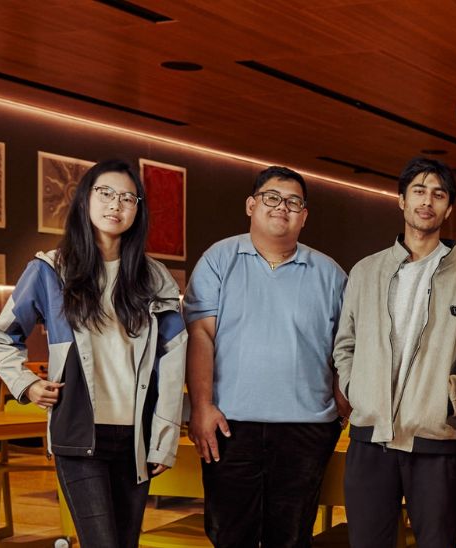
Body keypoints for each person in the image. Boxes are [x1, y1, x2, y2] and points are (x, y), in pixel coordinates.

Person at [0, 159, 186, 548]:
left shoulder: (155, 278)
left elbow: (173, 360)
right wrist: (26, 384)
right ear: (84, 201)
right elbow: (2, 335)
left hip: (136, 438)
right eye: (106, 193)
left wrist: (163, 437)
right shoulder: (50, 270)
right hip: (78, 433)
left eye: (128, 197)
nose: (116, 204)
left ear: (138, 210)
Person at [185, 166, 347, 548]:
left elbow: (346, 348)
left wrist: (342, 405)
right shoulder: (218, 259)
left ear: (304, 215)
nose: (282, 207)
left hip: (306, 428)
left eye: (293, 202)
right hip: (229, 425)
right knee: (229, 534)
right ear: (251, 205)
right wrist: (201, 406)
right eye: (272, 198)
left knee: (290, 537)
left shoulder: (331, 274)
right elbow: (201, 334)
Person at [333, 157, 456, 548]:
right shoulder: (366, 271)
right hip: (371, 439)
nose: (427, 201)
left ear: (448, 208)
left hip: (434, 440)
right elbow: (345, 343)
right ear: (401, 200)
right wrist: (356, 389)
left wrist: (450, 398)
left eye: (438, 194)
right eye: (418, 191)